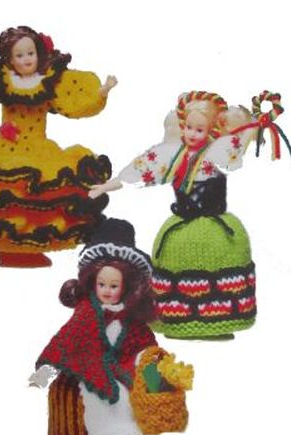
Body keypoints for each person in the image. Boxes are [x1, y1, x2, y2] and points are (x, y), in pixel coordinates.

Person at [0, 23, 117, 267]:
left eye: (30, 53)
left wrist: (101, 92)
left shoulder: (50, 81)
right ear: (9, 59)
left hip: (38, 149)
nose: (26, 59)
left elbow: (74, 100)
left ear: (39, 54)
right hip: (4, 147)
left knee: (39, 190)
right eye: (19, 55)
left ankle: (29, 244)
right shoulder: (3, 79)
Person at [30, 218, 190, 435]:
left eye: (114, 286)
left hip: (123, 376)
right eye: (101, 284)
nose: (106, 290)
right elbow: (65, 344)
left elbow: (144, 351)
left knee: (130, 395)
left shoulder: (133, 322)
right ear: (92, 282)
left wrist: (155, 371)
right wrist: (46, 370)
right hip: (86, 374)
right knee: (81, 396)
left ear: (127, 286)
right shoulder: (85, 316)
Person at [90, 91, 266, 339]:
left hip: (217, 226)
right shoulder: (171, 155)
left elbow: (242, 139)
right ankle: (176, 318)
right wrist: (107, 186)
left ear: (213, 130)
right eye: (189, 127)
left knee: (224, 260)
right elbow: (138, 171)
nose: (192, 134)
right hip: (180, 226)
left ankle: (221, 317)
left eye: (200, 130)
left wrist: (256, 124)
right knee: (173, 262)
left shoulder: (218, 152)